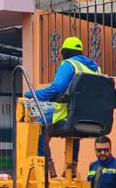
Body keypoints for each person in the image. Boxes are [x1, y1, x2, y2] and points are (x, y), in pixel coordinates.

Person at [25, 36, 105, 171]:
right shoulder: (96, 69)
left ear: (65, 53)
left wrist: (31, 94)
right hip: (90, 118)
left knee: (37, 124)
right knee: (75, 127)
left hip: (67, 113)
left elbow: (56, 88)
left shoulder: (69, 65)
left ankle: (45, 165)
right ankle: (72, 165)